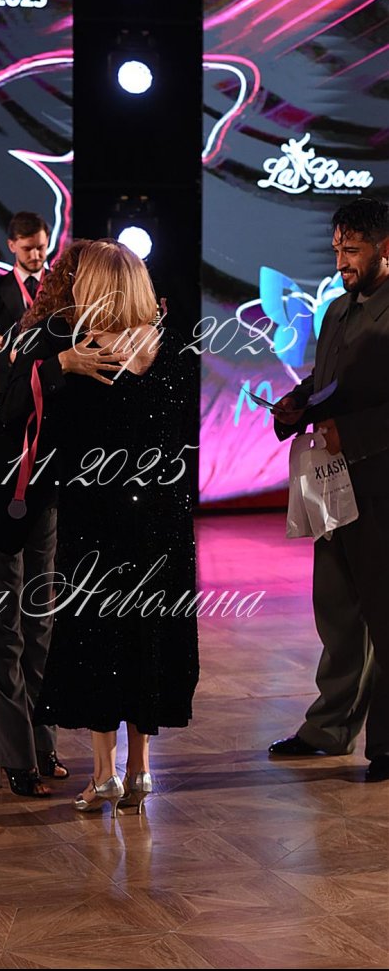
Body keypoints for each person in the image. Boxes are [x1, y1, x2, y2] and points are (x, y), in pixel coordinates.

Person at [0, 239, 199, 815]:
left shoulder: (77, 350)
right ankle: (141, 770)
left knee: (98, 638)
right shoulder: (173, 346)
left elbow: (24, 422)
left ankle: (104, 773)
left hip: (97, 515)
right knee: (148, 634)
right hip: (163, 516)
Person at [269, 197, 389, 782]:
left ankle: (386, 745)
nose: (341, 260)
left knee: (385, 619)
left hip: (382, 484)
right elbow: (328, 381)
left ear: (385, 248)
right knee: (337, 610)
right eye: (337, 248)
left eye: (353, 249)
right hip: (336, 482)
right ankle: (329, 729)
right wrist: (297, 403)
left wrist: (354, 432)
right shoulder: (337, 310)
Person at [0, 211, 50, 390]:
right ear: (11, 245)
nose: (35, 255)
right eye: (27, 249)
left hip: (53, 383)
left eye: (40, 247)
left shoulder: (63, 287)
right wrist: (7, 357)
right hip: (9, 387)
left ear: (47, 241)